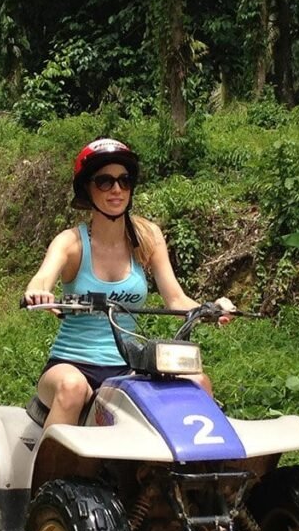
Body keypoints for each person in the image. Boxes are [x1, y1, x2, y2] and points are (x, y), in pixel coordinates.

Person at [23, 138, 234, 434]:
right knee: (72, 388)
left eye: (124, 180)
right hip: (71, 364)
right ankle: (48, 480)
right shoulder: (71, 242)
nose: (117, 190)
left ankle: (201, 473)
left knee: (197, 382)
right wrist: (39, 292)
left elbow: (175, 298)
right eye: (105, 181)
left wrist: (210, 308)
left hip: (129, 366)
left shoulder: (147, 237)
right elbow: (43, 277)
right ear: (87, 189)